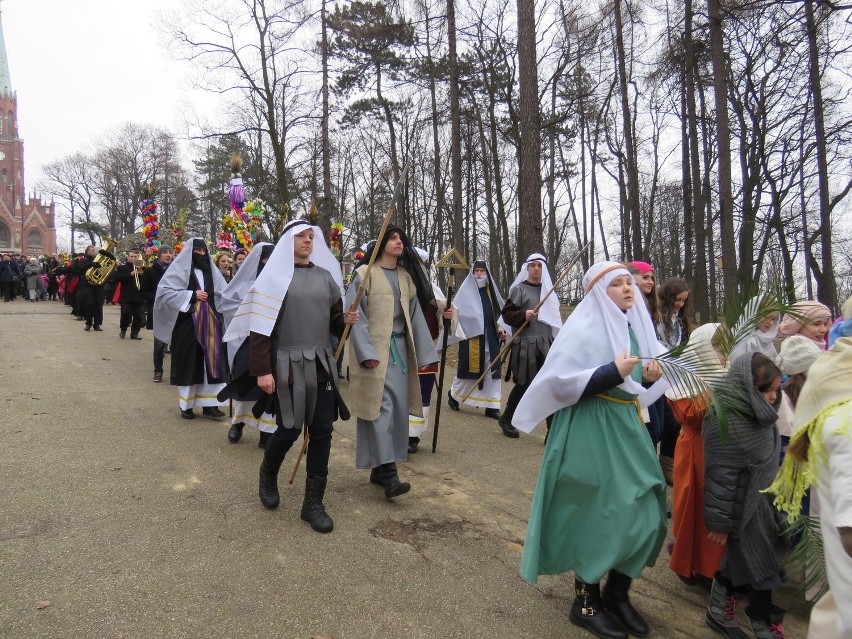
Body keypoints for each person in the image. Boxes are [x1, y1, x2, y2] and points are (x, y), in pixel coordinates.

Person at [514, 261, 668, 639]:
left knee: (648, 508)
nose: (628, 289)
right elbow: (560, 382)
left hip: (625, 424)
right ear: (598, 291)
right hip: (588, 426)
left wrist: (647, 374)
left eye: (629, 283)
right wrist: (613, 372)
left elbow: (637, 378)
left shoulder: (632, 327)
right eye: (617, 284)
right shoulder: (582, 329)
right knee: (597, 512)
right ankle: (585, 599)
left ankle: (618, 592)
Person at [223, 220, 358, 533]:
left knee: (322, 431)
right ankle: (268, 474)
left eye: (311, 237)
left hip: (322, 364)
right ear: (287, 241)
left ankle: (313, 504)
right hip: (286, 365)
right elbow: (260, 329)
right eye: (301, 236)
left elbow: (336, 324)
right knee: (288, 429)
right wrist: (262, 371)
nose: (308, 241)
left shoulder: (326, 278)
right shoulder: (273, 280)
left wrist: (348, 320)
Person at [768, 336, 852, 639]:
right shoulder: (839, 418)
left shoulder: (829, 405)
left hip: (815, 477)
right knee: (804, 527)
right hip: (800, 476)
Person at [346, 225, 439, 499]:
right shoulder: (364, 276)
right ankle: (389, 474)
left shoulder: (405, 277)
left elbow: (416, 317)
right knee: (379, 410)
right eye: (393, 238)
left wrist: (425, 356)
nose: (399, 242)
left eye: (401, 239)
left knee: (396, 411)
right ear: (381, 243)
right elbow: (355, 316)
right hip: (374, 354)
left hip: (399, 353)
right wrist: (366, 353)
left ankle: (378, 468)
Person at [703, 352, 789, 639]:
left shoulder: (760, 414)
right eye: (769, 391)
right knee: (760, 567)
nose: (775, 397)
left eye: (778, 389)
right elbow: (720, 478)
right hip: (743, 512)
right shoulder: (725, 420)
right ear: (747, 387)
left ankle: (719, 605)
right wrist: (719, 524)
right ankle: (761, 619)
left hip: (764, 506)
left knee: (742, 563)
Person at [666, 323, 726, 589]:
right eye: (716, 347)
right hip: (695, 449)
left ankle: (713, 567)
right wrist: (719, 392)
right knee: (694, 506)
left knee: (716, 511)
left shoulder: (727, 371)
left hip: (721, 451)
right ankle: (692, 565)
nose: (722, 354)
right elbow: (690, 414)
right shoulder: (688, 378)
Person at [154, 239, 228, 419]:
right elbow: (164, 293)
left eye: (204, 251)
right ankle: (186, 405)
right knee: (190, 361)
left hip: (211, 322)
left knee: (212, 362)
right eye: (198, 251)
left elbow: (223, 293)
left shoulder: (212, 272)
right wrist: (191, 295)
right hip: (188, 322)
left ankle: (211, 403)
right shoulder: (178, 271)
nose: (202, 254)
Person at [220, 242, 277, 448]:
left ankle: (266, 430)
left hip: (274, 342)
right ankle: (238, 422)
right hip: (247, 340)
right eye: (266, 258)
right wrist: (252, 313)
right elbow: (228, 304)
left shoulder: (280, 280)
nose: (270, 263)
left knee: (271, 389)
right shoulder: (243, 283)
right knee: (246, 385)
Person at [499, 253, 561, 438]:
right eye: (532, 265)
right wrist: (523, 315)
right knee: (524, 384)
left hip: (546, 344)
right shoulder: (519, 290)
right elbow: (507, 315)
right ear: (527, 268)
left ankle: (552, 430)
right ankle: (507, 418)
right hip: (525, 344)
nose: (536, 269)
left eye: (539, 266)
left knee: (548, 385)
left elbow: (555, 320)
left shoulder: (549, 292)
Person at [447, 260, 507, 421]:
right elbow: (457, 315)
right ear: (472, 274)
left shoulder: (491, 293)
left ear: (487, 274)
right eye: (477, 271)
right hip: (472, 337)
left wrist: (501, 329)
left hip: (491, 338)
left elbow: (498, 314)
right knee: (468, 371)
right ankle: (454, 395)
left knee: (493, 371)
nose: (479, 274)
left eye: (482, 271)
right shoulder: (465, 293)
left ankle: (492, 406)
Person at [141, 246, 174, 382]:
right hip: (158, 310)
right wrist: (159, 298)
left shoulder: (176, 270)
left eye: (170, 252)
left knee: (176, 344)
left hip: (174, 310)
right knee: (159, 344)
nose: (168, 255)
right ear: (159, 255)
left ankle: (176, 373)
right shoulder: (150, 271)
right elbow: (144, 291)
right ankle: (158, 371)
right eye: (165, 253)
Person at [114, 249, 146, 340]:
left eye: (135, 257)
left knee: (139, 316)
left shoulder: (141, 267)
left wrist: (143, 274)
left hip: (139, 296)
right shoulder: (122, 268)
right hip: (126, 295)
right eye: (131, 256)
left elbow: (146, 281)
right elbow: (117, 278)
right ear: (127, 257)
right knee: (125, 313)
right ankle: (123, 329)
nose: (133, 258)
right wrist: (130, 274)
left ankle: (135, 333)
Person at [76, 244, 107, 331]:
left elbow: (105, 271)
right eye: (91, 250)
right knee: (88, 304)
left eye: (94, 250)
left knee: (98, 305)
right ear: (87, 251)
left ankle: (97, 324)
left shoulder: (101, 260)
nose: (93, 251)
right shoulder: (84, 260)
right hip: (87, 286)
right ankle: (88, 322)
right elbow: (80, 269)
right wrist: (91, 264)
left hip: (98, 286)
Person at [656, 277, 692, 350]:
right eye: (677, 300)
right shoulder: (655, 317)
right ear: (667, 297)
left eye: (683, 301)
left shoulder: (681, 319)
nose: (681, 304)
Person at [628, 261, 660, 326]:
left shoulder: (651, 305)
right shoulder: (629, 307)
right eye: (645, 277)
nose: (651, 282)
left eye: (651, 278)